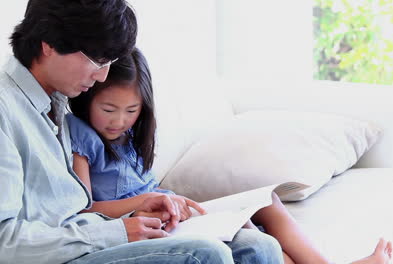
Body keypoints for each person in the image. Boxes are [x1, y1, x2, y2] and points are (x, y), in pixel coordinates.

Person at [0, 0, 283, 263]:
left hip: (81, 242)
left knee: (257, 246)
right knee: (202, 255)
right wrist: (118, 232)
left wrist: (135, 214)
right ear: (48, 43)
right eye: (98, 61)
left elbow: (67, 214)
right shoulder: (5, 109)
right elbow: (5, 243)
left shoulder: (56, 103)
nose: (102, 76)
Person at [67, 46, 393, 264]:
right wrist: (143, 202)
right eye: (108, 109)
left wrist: (164, 200)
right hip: (141, 222)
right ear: (88, 98)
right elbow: (86, 209)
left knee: (265, 205)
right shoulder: (81, 135)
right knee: (248, 234)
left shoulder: (131, 136)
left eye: (131, 110)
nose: (119, 120)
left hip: (172, 210)